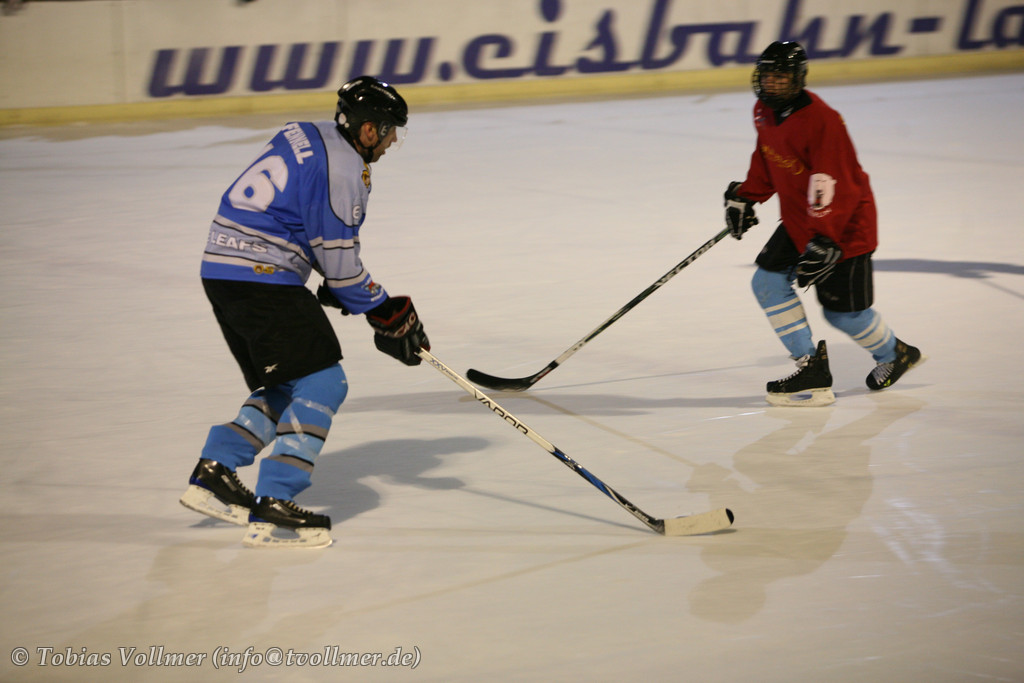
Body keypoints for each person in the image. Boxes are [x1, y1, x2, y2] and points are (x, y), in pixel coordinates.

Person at [179, 76, 430, 547]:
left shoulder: (307, 132)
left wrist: (340, 286)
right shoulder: (345, 170)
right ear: (369, 130)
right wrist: (385, 309)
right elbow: (341, 266)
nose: (393, 141)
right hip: (261, 276)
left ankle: (215, 470)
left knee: (290, 383)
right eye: (391, 131)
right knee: (325, 381)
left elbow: (298, 219)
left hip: (222, 270)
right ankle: (274, 501)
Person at [724, 41, 925, 407]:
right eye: (767, 76)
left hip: (843, 228)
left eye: (781, 77)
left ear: (798, 79)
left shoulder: (823, 121)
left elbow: (833, 180)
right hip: (801, 221)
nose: (772, 83)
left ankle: (895, 354)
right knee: (767, 283)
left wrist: (826, 237)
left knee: (843, 315)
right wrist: (747, 194)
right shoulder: (763, 111)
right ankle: (810, 369)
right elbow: (768, 156)